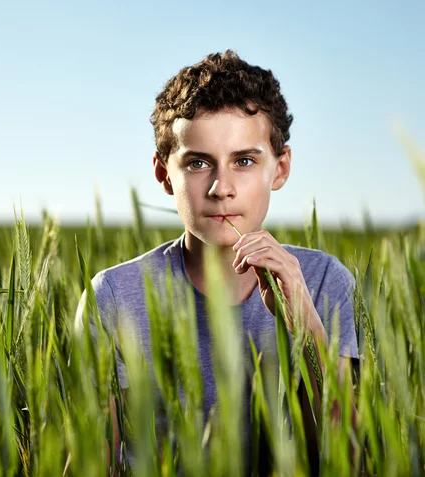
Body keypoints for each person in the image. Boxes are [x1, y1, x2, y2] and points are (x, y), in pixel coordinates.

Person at [74, 49, 359, 476]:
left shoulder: (322, 282)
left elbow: (349, 461)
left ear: (280, 169)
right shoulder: (115, 296)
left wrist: (303, 316)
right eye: (198, 163)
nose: (221, 188)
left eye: (244, 161)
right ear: (163, 175)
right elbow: (91, 464)